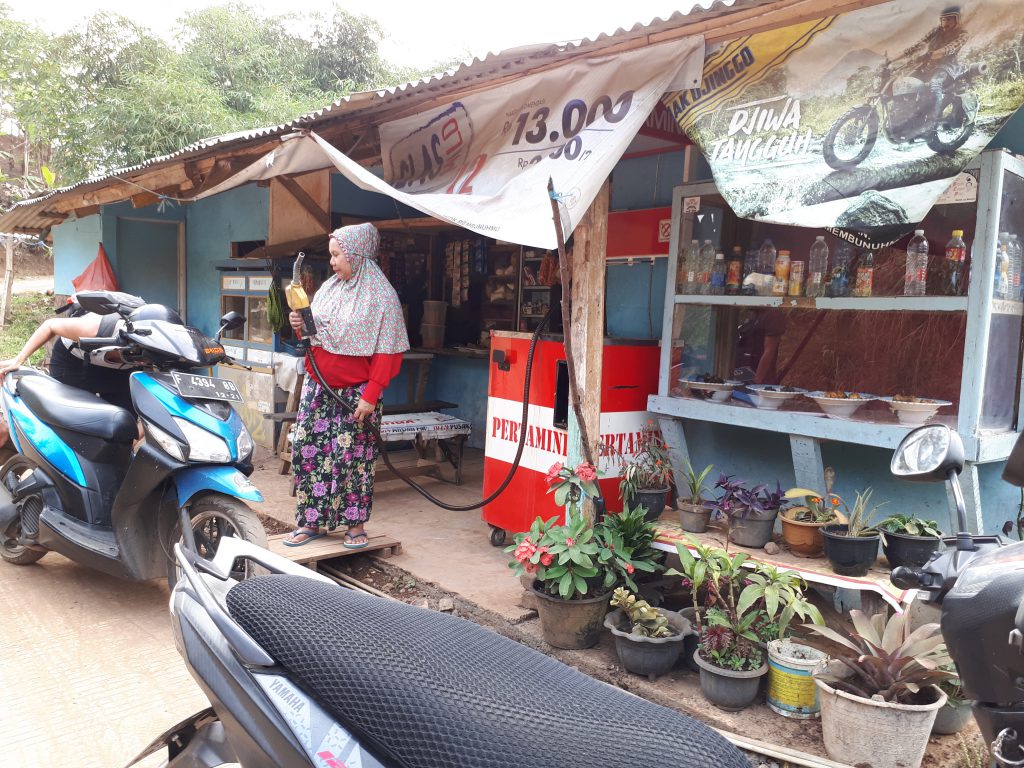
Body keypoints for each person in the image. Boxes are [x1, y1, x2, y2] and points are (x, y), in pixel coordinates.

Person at [284, 222, 410, 550]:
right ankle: (311, 520)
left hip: (356, 396)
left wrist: (371, 395)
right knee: (308, 452)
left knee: (352, 459)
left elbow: (388, 351)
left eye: (338, 255)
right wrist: (299, 324)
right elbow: (314, 332)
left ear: (356, 254)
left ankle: (355, 525)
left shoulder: (382, 297)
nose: (333, 261)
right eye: (332, 255)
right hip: (318, 388)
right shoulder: (329, 289)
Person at [0, 302, 176, 449]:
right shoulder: (96, 328)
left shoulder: (160, 352)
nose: (148, 365)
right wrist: (19, 359)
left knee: (124, 428)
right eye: (146, 359)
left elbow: (158, 405)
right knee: (69, 423)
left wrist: (133, 437)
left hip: (119, 369)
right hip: (73, 362)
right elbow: (50, 325)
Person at [894, 6, 967, 123]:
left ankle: (934, 118)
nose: (945, 23)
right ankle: (906, 115)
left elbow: (949, 49)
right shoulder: (936, 31)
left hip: (947, 66)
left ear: (956, 20)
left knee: (935, 84)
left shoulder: (962, 34)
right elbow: (917, 46)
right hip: (928, 65)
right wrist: (892, 60)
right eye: (943, 19)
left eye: (949, 19)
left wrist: (930, 54)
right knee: (905, 82)